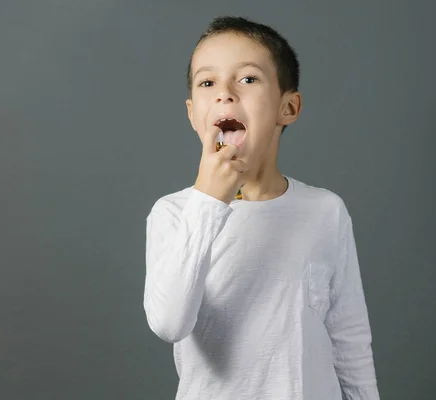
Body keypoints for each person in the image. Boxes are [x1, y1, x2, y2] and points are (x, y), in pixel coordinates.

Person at [144, 16, 380, 400]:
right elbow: (169, 323)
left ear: (288, 107)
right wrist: (208, 200)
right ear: (192, 114)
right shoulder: (173, 214)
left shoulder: (325, 211)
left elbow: (349, 339)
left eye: (248, 79)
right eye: (208, 82)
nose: (225, 93)